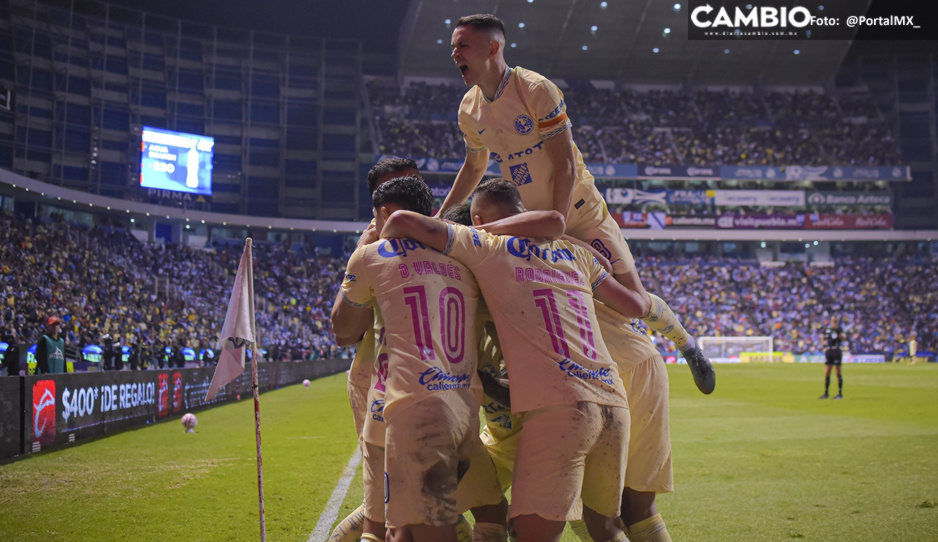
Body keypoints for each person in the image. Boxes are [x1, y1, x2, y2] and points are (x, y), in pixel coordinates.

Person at [440, 13, 714, 394]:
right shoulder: (469, 109)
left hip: (580, 213)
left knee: (632, 304)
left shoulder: (535, 89)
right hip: (535, 221)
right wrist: (439, 215)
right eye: (453, 46)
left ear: (492, 47)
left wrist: (558, 216)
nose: (454, 53)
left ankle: (686, 344)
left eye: (462, 45)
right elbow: (474, 166)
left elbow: (565, 161)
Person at [383, 178, 657, 542]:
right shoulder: (574, 252)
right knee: (605, 529)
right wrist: (607, 259)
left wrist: (477, 230)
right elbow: (635, 305)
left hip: (563, 408)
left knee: (526, 533)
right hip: (613, 403)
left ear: (478, 217)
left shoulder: (486, 244)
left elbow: (401, 219)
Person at [332, 176, 503, 542]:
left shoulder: (372, 255)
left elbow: (343, 330)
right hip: (453, 407)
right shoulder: (465, 260)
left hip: (408, 410)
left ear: (383, 213)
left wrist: (362, 251)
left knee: (395, 526)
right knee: (472, 516)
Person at [820, 319, 845, 399]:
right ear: (831, 322)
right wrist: (824, 347)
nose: (834, 323)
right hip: (829, 350)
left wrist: (837, 331)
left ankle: (840, 393)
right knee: (827, 372)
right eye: (833, 321)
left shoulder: (839, 329)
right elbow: (823, 339)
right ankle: (826, 393)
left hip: (837, 350)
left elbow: (843, 337)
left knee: (838, 372)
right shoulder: (827, 330)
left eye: (836, 321)